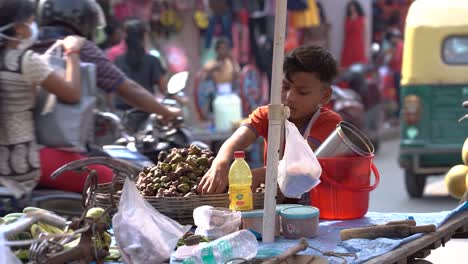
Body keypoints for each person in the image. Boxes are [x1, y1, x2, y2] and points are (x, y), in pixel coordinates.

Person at [33, 0, 181, 192]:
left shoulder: (29, 47)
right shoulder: (76, 46)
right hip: (56, 153)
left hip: (32, 150)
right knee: (129, 186)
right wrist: (166, 111)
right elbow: (126, 88)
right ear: (81, 19)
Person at [198, 45, 343, 194]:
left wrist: (252, 176)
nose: (290, 97)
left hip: (316, 205)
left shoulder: (329, 122)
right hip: (274, 203)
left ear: (325, 95)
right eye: (285, 87)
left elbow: (298, 165)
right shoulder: (268, 114)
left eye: (302, 92)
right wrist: (220, 163)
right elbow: (236, 141)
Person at [0, 0, 84, 195]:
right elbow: (72, 93)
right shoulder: (24, 61)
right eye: (31, 21)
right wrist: (72, 51)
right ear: (20, 29)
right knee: (112, 178)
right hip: (20, 166)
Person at [113, 19, 167, 131]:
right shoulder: (152, 60)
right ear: (144, 36)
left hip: (122, 114)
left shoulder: (118, 61)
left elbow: (112, 90)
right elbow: (164, 89)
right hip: (146, 113)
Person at [341, 0, 368, 68]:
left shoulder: (362, 18)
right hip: (348, 44)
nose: (352, 8)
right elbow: (345, 32)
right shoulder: (347, 18)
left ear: (357, 7)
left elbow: (366, 34)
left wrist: (366, 49)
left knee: (358, 62)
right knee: (347, 64)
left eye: (353, 6)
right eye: (350, 7)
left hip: (358, 43)